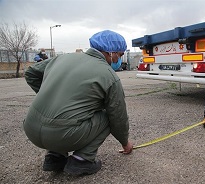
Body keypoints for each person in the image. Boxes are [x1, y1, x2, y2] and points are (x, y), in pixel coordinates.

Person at [23, 30, 133, 176]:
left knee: (64, 112)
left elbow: (30, 73)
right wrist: (125, 143)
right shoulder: (109, 75)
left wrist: (52, 94)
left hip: (30, 129)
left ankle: (55, 157)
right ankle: (82, 160)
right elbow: (117, 116)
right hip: (62, 135)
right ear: (110, 52)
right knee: (108, 116)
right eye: (119, 55)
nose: (118, 59)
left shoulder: (62, 58)